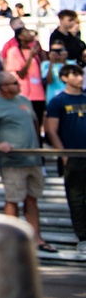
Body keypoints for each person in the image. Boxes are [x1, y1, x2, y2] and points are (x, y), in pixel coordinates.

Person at [0, 71, 57, 252]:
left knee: (32, 199)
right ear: (3, 87)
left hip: (33, 158)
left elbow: (33, 122)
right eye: (14, 83)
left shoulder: (24, 100)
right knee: (13, 199)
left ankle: (35, 237)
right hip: (12, 161)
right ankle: (12, 240)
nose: (18, 85)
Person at [44, 64, 86, 253]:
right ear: (64, 78)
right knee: (76, 198)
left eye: (80, 74)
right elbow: (51, 130)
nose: (79, 78)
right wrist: (63, 154)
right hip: (73, 156)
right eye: (74, 75)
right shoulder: (58, 101)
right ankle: (83, 237)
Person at [2, 27, 46, 131]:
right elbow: (21, 74)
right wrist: (30, 57)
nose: (30, 34)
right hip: (25, 94)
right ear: (20, 37)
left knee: (38, 123)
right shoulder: (14, 51)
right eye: (26, 32)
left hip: (39, 94)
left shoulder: (33, 50)